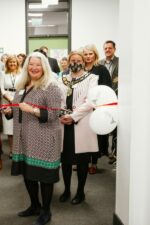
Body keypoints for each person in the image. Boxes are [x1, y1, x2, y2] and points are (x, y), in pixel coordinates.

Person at [4, 52, 62, 225]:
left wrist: (32, 110)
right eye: (31, 64)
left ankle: (46, 211)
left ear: (44, 66)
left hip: (44, 138)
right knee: (28, 175)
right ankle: (35, 205)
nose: (34, 68)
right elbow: (17, 109)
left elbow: (53, 114)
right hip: (24, 139)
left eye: (38, 65)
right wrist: (10, 111)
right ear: (26, 66)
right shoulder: (22, 85)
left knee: (44, 177)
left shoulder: (51, 86)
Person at [58, 50, 98, 205]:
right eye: (72, 60)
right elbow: (58, 98)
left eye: (78, 60)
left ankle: (80, 192)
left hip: (81, 124)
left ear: (84, 61)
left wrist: (73, 116)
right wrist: (62, 114)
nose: (75, 62)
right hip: (64, 124)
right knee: (66, 161)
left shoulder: (92, 78)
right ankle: (67, 190)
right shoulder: (61, 79)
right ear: (68, 62)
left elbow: (90, 102)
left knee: (82, 162)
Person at [83, 44, 112, 174]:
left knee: (94, 136)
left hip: (96, 107)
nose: (88, 56)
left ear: (95, 54)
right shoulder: (81, 68)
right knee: (83, 135)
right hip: (82, 107)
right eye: (86, 54)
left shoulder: (101, 69)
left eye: (90, 54)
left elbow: (106, 89)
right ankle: (82, 162)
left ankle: (93, 163)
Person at [99, 40, 119, 165]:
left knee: (115, 125)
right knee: (103, 123)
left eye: (110, 48)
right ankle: (104, 150)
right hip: (102, 98)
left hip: (116, 97)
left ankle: (114, 152)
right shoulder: (100, 63)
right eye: (105, 48)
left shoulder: (120, 62)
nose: (107, 50)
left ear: (114, 49)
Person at [0, 55, 21, 159]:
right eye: (10, 62)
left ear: (17, 63)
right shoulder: (3, 74)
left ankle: (19, 150)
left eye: (14, 62)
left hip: (18, 101)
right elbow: (1, 89)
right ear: (7, 64)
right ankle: (12, 150)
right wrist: (9, 98)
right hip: (6, 101)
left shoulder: (22, 74)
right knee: (9, 127)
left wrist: (15, 99)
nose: (12, 64)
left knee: (18, 126)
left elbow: (23, 88)